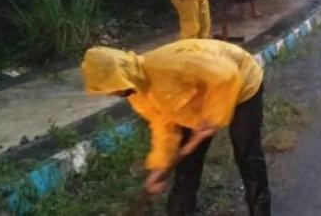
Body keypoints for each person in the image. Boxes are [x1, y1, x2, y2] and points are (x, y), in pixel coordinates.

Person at [81, 39, 271, 216]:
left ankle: (260, 210)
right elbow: (163, 127)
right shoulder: (137, 95)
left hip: (242, 82)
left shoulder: (168, 65)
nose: (111, 94)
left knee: (247, 155)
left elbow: (227, 75)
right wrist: (159, 168)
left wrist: (212, 117)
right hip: (201, 100)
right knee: (187, 165)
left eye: (112, 87)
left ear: (121, 74)